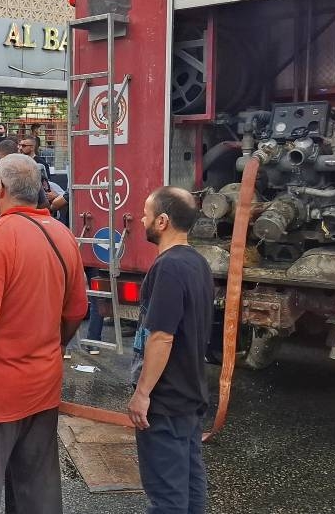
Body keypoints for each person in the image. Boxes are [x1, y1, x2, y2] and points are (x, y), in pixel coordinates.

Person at [0, 154, 87, 514]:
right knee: (36, 488)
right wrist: (49, 348)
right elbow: (75, 312)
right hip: (41, 383)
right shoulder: (63, 235)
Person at [127, 187, 213, 514]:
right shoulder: (198, 264)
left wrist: (143, 393)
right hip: (189, 396)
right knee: (190, 487)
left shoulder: (169, 268)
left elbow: (162, 337)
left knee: (167, 498)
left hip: (165, 401)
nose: (142, 219)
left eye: (147, 213)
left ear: (162, 221)